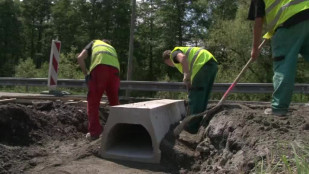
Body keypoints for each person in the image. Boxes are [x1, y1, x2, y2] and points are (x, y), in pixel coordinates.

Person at [248, 0, 309, 116]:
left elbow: (258, 21)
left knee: (284, 65)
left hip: (287, 25)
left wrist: (255, 48)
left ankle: (279, 108)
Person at [163, 47, 218, 133]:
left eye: (168, 64)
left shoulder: (173, 54)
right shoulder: (183, 54)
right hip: (211, 64)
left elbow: (183, 58)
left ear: (167, 60)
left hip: (201, 65)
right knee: (203, 97)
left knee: (195, 98)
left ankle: (192, 128)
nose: (171, 65)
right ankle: (198, 123)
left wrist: (186, 75)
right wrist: (189, 81)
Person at [77, 39, 120, 141]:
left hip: (100, 68)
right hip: (115, 72)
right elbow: (108, 77)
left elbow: (80, 58)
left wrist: (86, 74)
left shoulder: (95, 42)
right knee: (115, 103)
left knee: (93, 102)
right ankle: (118, 130)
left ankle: (95, 133)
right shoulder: (111, 48)